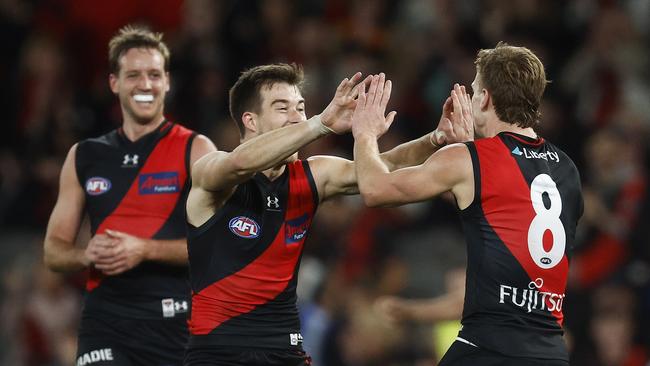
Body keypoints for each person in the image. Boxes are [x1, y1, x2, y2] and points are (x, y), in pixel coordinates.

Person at [183, 64, 461, 365]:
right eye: (282, 108)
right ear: (250, 120)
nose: (296, 117)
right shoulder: (212, 171)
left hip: (285, 348)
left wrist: (435, 138)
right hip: (219, 352)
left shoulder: (312, 175)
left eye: (300, 108)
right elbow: (239, 163)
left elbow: (385, 165)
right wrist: (319, 124)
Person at [352, 42, 584, 365]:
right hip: (549, 352)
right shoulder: (567, 169)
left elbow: (375, 189)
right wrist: (467, 150)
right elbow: (507, 209)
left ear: (485, 98)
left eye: (475, 91)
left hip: (488, 348)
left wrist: (364, 134)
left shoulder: (469, 160)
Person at [43, 25, 216, 366]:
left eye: (154, 74)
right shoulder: (84, 155)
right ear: (114, 83)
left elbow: (217, 246)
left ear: (167, 81)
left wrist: (144, 249)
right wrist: (85, 255)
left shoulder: (196, 149)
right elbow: (53, 252)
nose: (145, 85)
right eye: (133, 75)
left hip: (178, 323)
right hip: (105, 321)